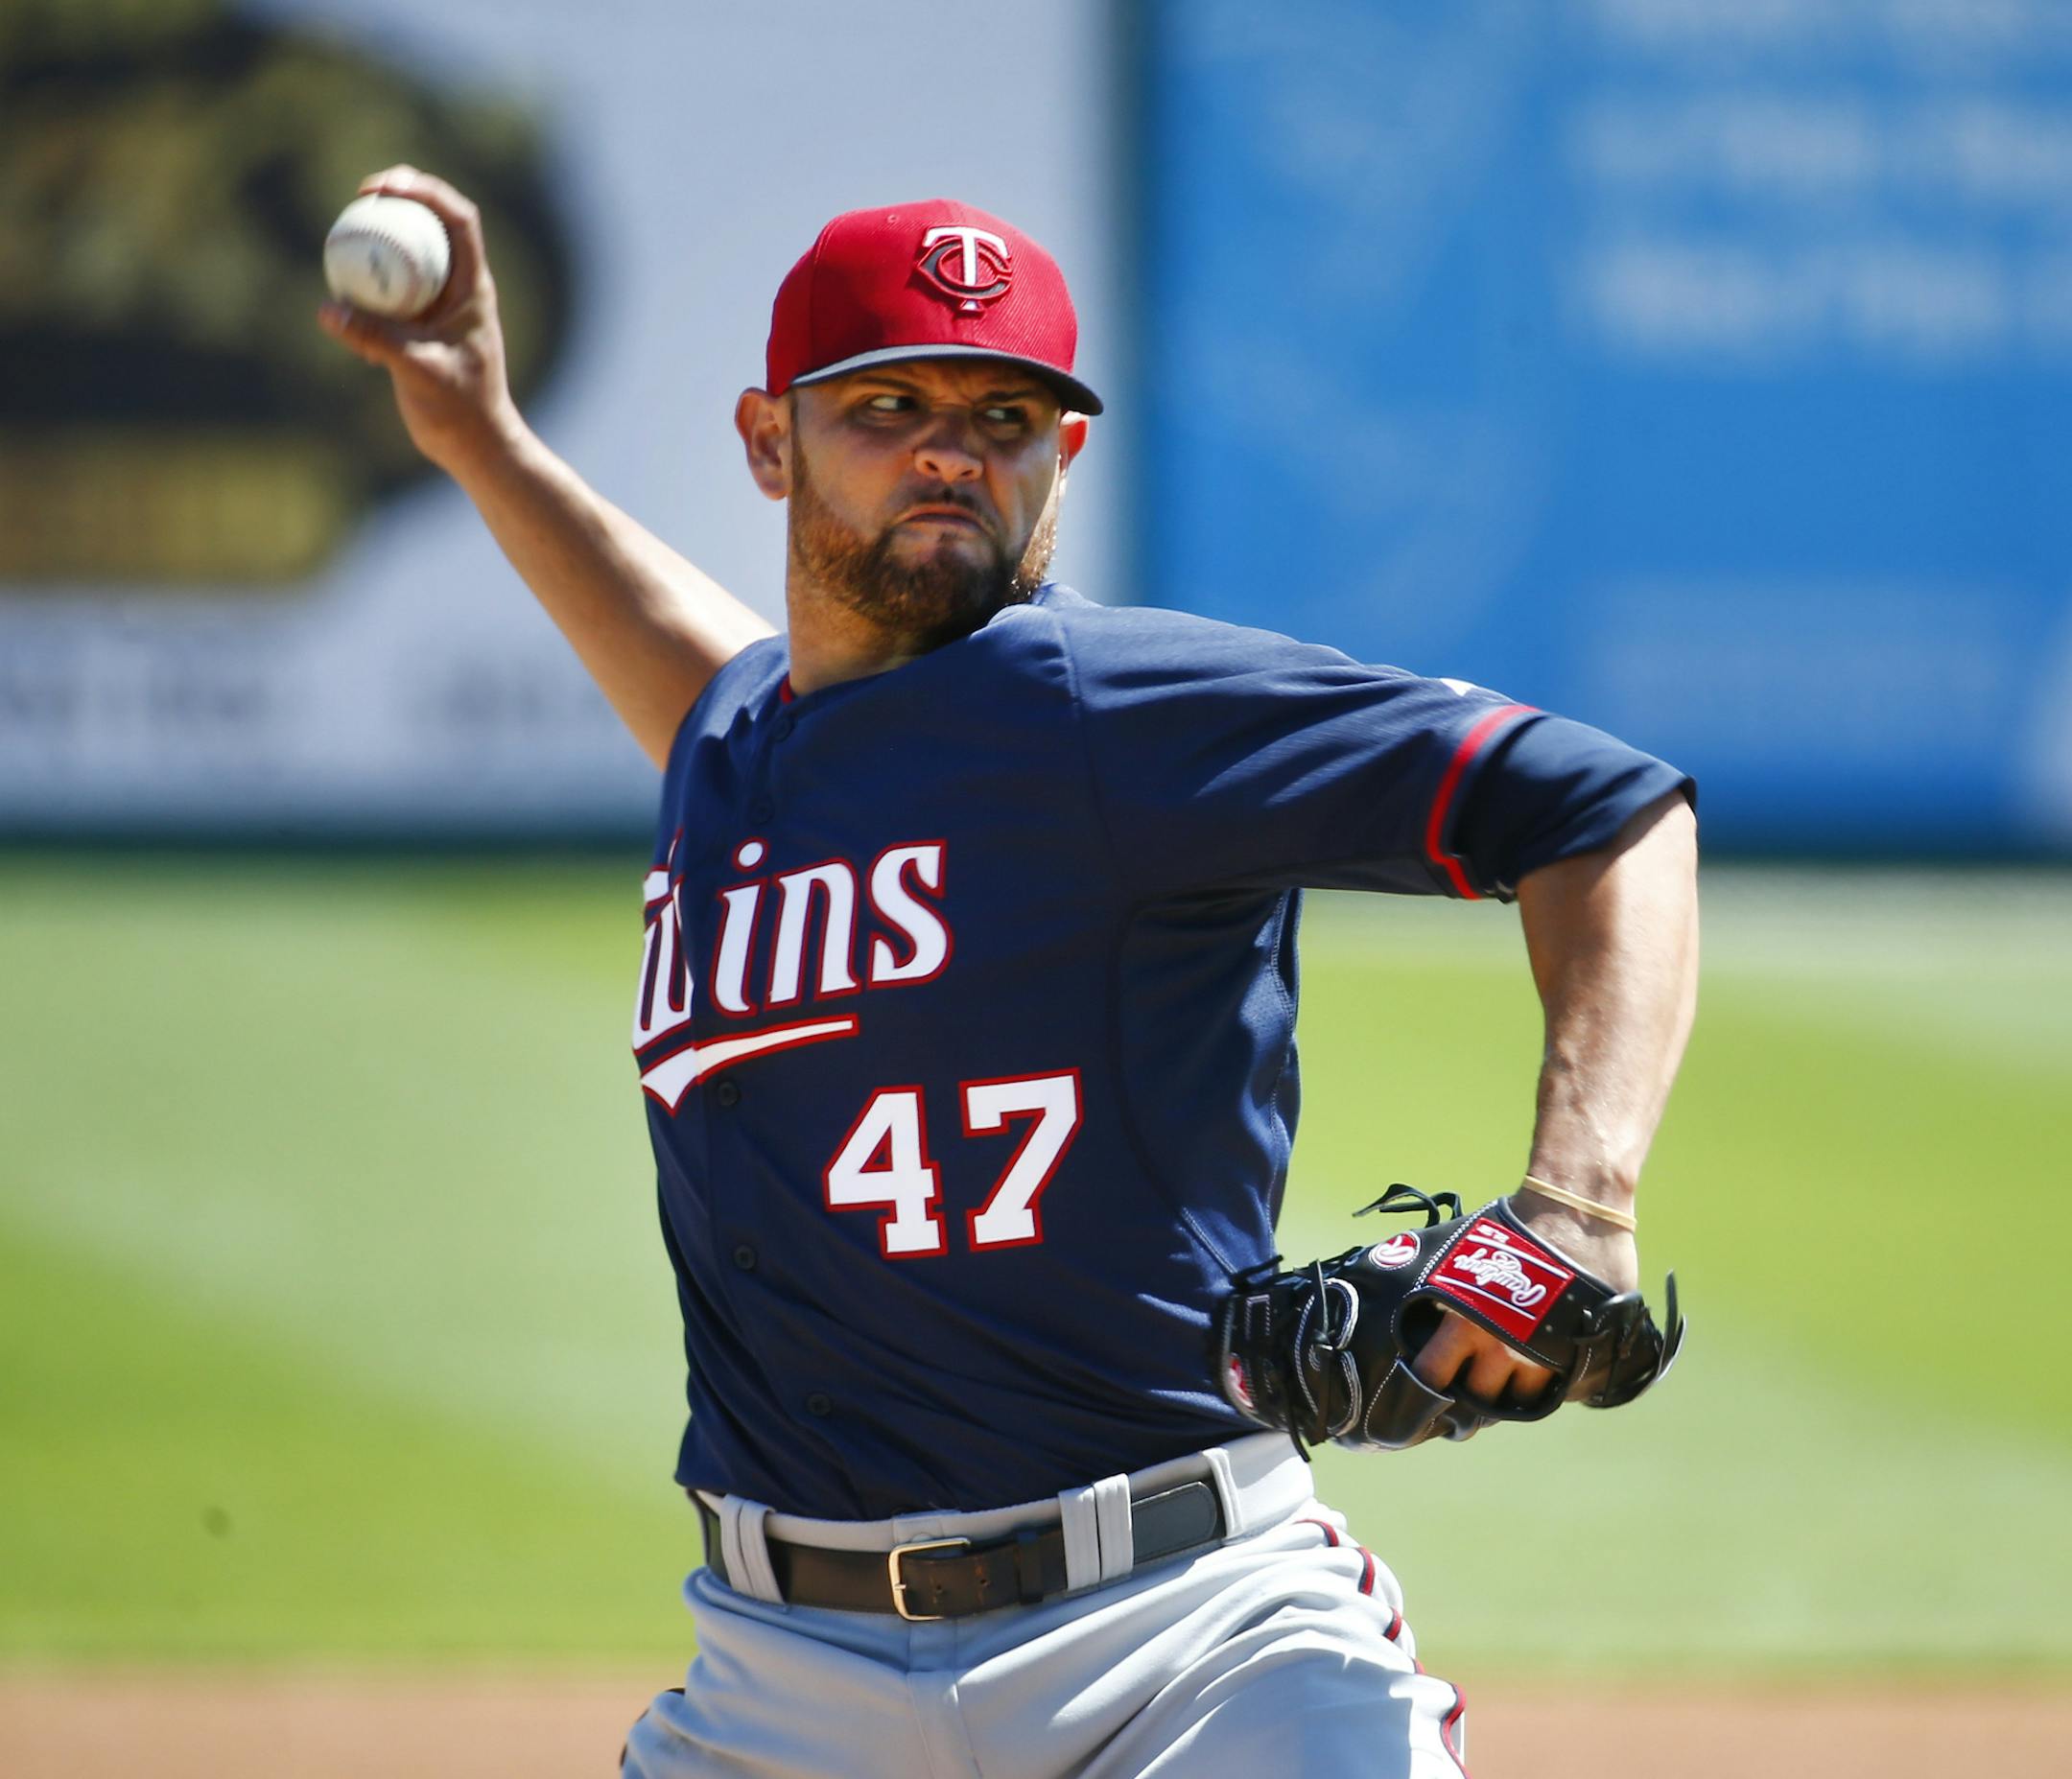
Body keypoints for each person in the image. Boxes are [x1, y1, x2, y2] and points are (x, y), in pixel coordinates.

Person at [321, 167, 1699, 1778]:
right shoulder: (749, 747)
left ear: (1066, 456)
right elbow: (706, 681)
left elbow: (1606, 808)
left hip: (1189, 1640)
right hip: (777, 1679)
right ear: (769, 442)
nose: (948, 449)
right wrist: (480, 432)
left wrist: (1576, 1206)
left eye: (1002, 416)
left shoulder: (1113, 710)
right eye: (887, 405)